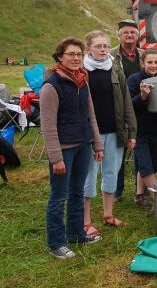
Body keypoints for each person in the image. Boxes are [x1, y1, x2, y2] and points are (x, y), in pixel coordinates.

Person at [40, 37, 104, 259]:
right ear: (60, 57)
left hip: (83, 145)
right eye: (71, 54)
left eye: (79, 54)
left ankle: (76, 234)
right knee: (59, 195)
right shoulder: (51, 86)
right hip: (64, 149)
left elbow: (91, 115)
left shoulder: (82, 81)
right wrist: (56, 157)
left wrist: (97, 143)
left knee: (77, 191)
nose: (76, 58)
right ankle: (56, 243)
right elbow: (47, 126)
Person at [82, 31, 136, 236]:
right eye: (98, 46)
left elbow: (126, 101)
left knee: (111, 173)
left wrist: (131, 131)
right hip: (90, 134)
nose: (103, 49)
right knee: (88, 175)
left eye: (105, 46)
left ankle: (107, 214)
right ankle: (86, 220)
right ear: (89, 49)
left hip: (115, 131)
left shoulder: (115, 70)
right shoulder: (81, 72)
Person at [110, 19, 144, 202]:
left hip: (141, 106)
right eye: (126, 32)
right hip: (120, 107)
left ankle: (140, 190)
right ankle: (116, 190)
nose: (130, 35)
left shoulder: (144, 55)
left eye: (133, 32)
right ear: (119, 36)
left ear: (138, 36)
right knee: (120, 148)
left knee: (140, 147)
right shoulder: (111, 55)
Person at [127, 48, 157, 214]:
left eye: (156, 62)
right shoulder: (134, 80)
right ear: (143, 63)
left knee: (153, 163)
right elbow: (129, 105)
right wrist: (142, 96)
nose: (153, 65)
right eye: (150, 62)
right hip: (138, 130)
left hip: (156, 129)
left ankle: (139, 195)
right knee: (145, 164)